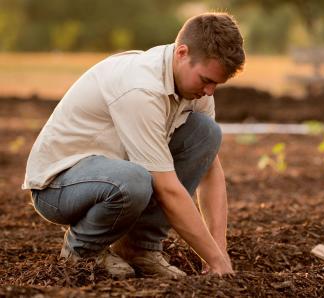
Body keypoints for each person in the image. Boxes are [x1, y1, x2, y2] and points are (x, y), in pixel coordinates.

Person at [22, 12, 245, 279]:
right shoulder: (141, 88)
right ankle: (83, 252)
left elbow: (209, 169)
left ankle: (139, 248)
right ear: (182, 53)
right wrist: (213, 258)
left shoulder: (194, 88)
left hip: (113, 173)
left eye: (216, 84)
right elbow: (167, 189)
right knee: (135, 180)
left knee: (206, 133)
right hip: (57, 186)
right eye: (206, 80)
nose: (210, 91)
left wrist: (219, 253)